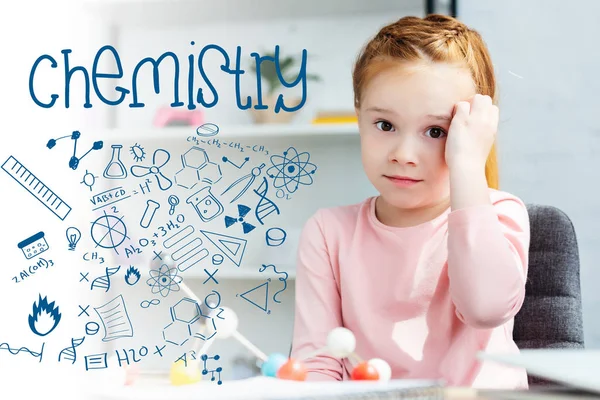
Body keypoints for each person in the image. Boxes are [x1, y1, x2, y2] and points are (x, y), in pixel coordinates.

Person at [290, 14, 530, 389]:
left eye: (436, 131)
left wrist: (467, 164)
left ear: (473, 132)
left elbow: (486, 309)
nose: (404, 153)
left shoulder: (500, 215)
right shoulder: (327, 232)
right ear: (359, 117)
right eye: (385, 125)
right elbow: (317, 368)